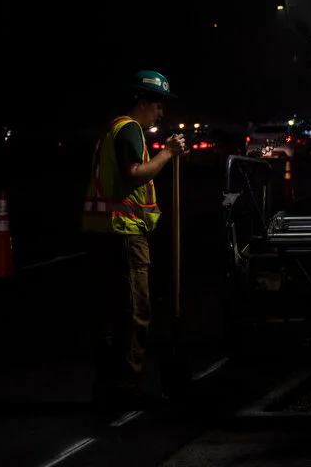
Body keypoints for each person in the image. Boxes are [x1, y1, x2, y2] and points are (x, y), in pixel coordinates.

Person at [81, 69, 185, 412]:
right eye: (158, 105)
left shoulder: (112, 130)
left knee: (109, 313)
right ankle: (126, 387)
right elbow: (132, 177)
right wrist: (168, 154)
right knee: (135, 312)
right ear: (142, 102)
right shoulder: (130, 130)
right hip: (124, 234)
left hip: (102, 234)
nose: (161, 112)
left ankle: (106, 385)